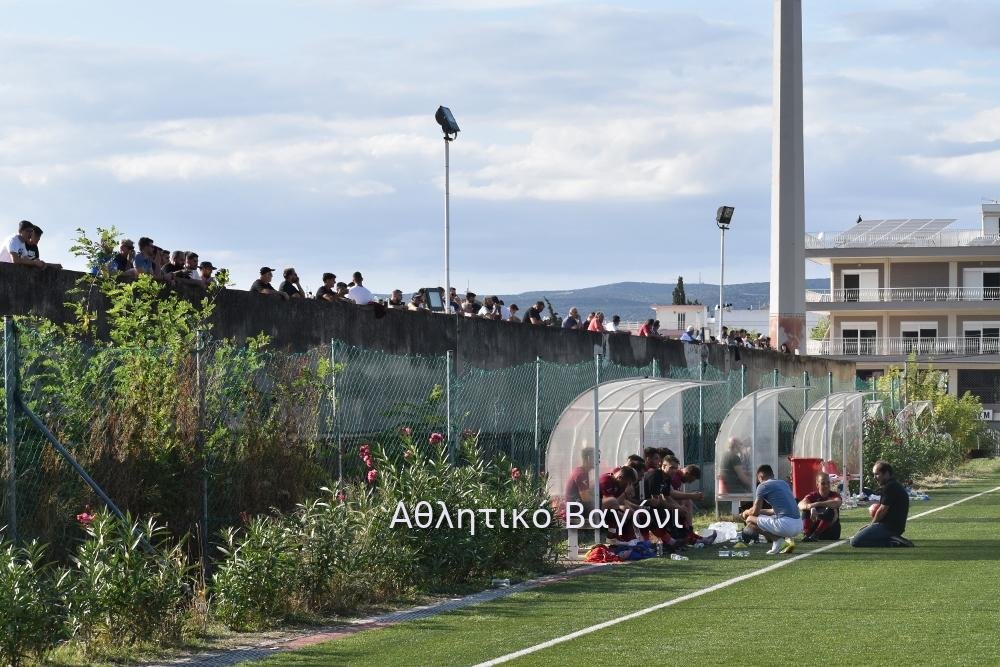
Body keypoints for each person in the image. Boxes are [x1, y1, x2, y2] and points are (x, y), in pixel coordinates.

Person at [850, 460, 912, 548]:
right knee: (858, 536)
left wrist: (872, 525)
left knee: (855, 541)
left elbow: (882, 510)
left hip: (889, 527)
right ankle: (892, 539)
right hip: (893, 526)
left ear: (886, 473)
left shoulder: (890, 487)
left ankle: (894, 542)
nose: (874, 477)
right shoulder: (894, 484)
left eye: (877, 474)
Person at [741, 464, 801, 555]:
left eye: (759, 480)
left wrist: (745, 512)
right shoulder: (783, 483)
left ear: (760, 477)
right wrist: (757, 511)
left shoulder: (763, 486)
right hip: (798, 525)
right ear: (772, 474)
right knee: (764, 518)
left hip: (786, 525)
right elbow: (773, 511)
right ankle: (783, 540)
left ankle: (778, 541)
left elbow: (755, 512)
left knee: (750, 520)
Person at [799, 472, 843, 541]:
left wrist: (816, 504)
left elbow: (837, 502)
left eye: (828, 483)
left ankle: (816, 535)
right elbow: (800, 504)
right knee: (805, 510)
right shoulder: (813, 495)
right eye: (823, 483)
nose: (826, 485)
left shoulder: (834, 495)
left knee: (831, 509)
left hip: (831, 532)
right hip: (813, 530)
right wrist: (810, 507)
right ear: (817, 485)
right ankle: (806, 535)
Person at [564, 447, 595, 512]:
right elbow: (585, 498)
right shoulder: (581, 474)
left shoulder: (582, 471)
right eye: (597, 457)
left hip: (576, 506)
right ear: (589, 458)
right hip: (575, 510)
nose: (599, 460)